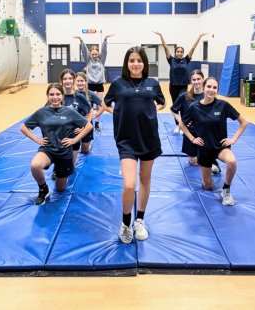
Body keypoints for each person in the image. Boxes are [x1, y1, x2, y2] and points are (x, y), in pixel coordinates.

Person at [102, 46, 166, 243]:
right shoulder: (118, 84)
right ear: (126, 63)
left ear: (144, 63)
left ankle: (140, 220)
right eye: (132, 60)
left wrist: (153, 109)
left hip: (148, 138)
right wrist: (117, 114)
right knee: (129, 184)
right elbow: (105, 103)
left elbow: (162, 102)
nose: (136, 64)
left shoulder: (153, 84)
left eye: (139, 60)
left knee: (145, 180)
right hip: (126, 139)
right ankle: (125, 223)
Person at [21, 83, 93, 205]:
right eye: (51, 94)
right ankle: (43, 189)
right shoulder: (41, 112)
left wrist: (74, 140)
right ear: (47, 96)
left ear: (62, 95)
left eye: (58, 94)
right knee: (35, 165)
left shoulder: (69, 112)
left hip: (65, 152)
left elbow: (88, 126)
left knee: (60, 189)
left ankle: (58, 171)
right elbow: (23, 127)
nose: (55, 97)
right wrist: (37, 140)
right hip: (48, 150)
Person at [180, 77, 247, 206]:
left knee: (232, 161)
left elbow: (244, 122)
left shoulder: (223, 105)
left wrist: (233, 139)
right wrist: (192, 138)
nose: (211, 90)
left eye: (214, 88)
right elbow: (182, 124)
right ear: (204, 88)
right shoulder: (194, 107)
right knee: (208, 187)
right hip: (204, 149)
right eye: (209, 87)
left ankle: (226, 190)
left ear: (217, 90)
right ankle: (210, 170)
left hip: (220, 147)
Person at [153, 31, 208, 133]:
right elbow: (165, 48)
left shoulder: (186, 60)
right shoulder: (171, 60)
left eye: (181, 52)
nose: (179, 53)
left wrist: (199, 36)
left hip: (183, 86)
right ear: (175, 53)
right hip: (173, 86)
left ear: (183, 53)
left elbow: (193, 48)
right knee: (175, 106)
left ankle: (183, 125)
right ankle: (178, 125)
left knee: (183, 105)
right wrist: (161, 35)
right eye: (178, 51)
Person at [74, 33, 114, 132]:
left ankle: (96, 124)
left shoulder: (101, 60)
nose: (95, 56)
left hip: (99, 85)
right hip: (91, 84)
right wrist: (81, 40)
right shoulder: (88, 61)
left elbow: (104, 51)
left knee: (100, 105)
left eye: (96, 54)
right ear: (91, 54)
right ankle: (87, 122)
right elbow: (84, 51)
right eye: (93, 54)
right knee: (90, 105)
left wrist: (105, 39)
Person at [170, 69, 205, 167]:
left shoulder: (207, 95)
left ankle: (209, 162)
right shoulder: (184, 96)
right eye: (194, 80)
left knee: (207, 155)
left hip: (204, 131)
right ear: (191, 81)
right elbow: (173, 110)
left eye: (199, 79)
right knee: (193, 162)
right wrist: (181, 122)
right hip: (190, 132)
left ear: (203, 80)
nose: (196, 82)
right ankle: (205, 161)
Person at [59, 69, 92, 166]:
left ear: (74, 80)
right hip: (60, 136)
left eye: (70, 78)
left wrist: (85, 125)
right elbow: (47, 113)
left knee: (71, 166)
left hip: (74, 138)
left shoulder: (79, 97)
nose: (68, 81)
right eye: (65, 79)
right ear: (61, 81)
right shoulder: (57, 96)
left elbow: (90, 111)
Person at [75, 71, 105, 153]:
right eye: (78, 81)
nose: (80, 83)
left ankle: (86, 145)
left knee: (85, 151)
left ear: (85, 82)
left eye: (82, 81)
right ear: (75, 82)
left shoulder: (90, 94)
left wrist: (95, 115)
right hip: (74, 125)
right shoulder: (72, 94)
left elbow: (103, 106)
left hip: (87, 124)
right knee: (73, 148)